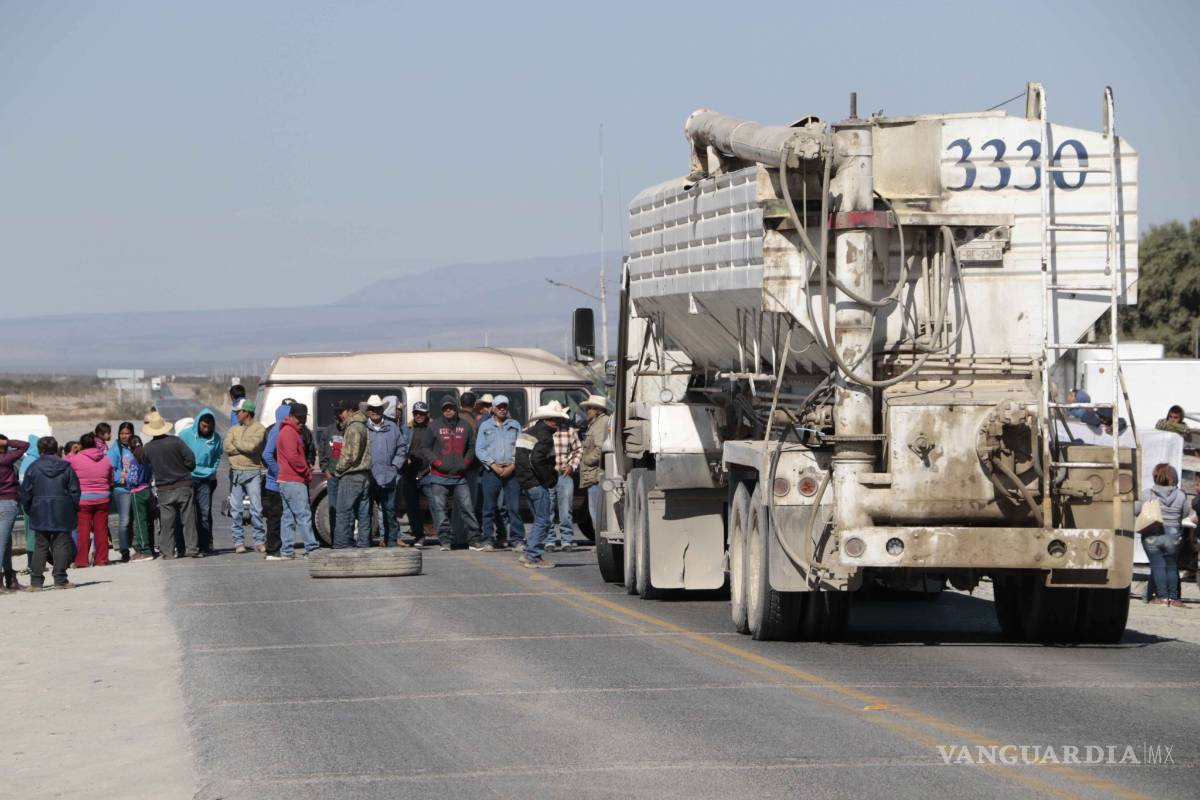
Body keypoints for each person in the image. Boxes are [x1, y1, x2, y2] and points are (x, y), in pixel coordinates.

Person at [419, 397, 481, 551]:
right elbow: (425, 447)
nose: (448, 410)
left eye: (451, 408)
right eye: (445, 408)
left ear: (456, 408)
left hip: (460, 478)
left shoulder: (465, 425)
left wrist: (465, 463)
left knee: (467, 509)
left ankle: (474, 540)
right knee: (440, 511)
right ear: (442, 410)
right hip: (439, 477)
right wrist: (437, 463)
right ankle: (445, 541)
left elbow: (472, 447)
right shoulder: (434, 426)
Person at [19, 437, 79, 590]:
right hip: (62, 509)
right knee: (61, 544)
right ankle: (60, 579)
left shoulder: (33, 467)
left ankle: (36, 582)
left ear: (40, 450)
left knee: (40, 546)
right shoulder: (66, 466)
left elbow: (25, 492)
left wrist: (29, 508)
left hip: (40, 509)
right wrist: (72, 507)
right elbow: (75, 490)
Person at [142, 411, 200, 558]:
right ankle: (192, 549)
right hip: (184, 485)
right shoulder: (176, 441)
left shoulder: (148, 448)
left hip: (164, 489)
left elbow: (145, 465)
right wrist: (185, 470)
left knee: (167, 523)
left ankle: (167, 552)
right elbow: (191, 460)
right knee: (189, 520)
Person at [515, 402, 566, 567]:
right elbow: (537, 460)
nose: (557, 423)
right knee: (544, 520)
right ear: (547, 420)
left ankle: (529, 552)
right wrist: (549, 478)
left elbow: (523, 458)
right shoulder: (545, 436)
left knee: (539, 519)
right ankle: (533, 556)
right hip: (537, 483)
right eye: (555, 420)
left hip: (526, 482)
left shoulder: (528, 432)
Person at [476, 395, 524, 550]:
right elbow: (479, 449)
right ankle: (488, 540)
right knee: (489, 507)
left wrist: (512, 466)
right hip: (492, 471)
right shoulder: (485, 426)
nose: (502, 409)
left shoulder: (515, 425)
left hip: (511, 471)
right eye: (499, 407)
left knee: (514, 508)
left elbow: (521, 448)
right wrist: (493, 465)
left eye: (505, 406)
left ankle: (517, 540)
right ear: (493, 409)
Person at [1135, 463, 1187, 607]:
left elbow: (1135, 510)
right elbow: (1186, 513)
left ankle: (1162, 598)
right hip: (1174, 535)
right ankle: (1174, 599)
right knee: (1171, 566)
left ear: (1155, 477)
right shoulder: (1181, 494)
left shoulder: (1147, 493)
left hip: (1152, 534)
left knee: (1158, 566)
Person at [274, 403, 321, 559]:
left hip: (286, 480)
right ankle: (312, 548)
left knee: (288, 517)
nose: (301, 420)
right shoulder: (289, 433)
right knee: (303, 515)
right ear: (292, 416)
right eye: (299, 417)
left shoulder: (289, 431)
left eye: (303, 417)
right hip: (293, 480)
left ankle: (287, 550)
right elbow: (294, 458)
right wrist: (306, 471)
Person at [224, 398, 267, 553]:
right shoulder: (233, 429)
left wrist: (237, 445)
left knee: (256, 508)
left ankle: (259, 540)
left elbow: (252, 448)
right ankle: (238, 542)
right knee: (236, 509)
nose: (236, 414)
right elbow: (227, 447)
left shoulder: (259, 429)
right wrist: (241, 448)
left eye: (239, 412)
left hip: (253, 472)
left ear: (247, 412)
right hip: (235, 472)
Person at [365, 394, 408, 547]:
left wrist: (395, 466)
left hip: (388, 477)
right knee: (367, 512)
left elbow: (401, 447)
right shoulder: (363, 428)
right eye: (372, 409)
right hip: (368, 478)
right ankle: (365, 543)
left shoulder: (393, 427)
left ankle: (391, 541)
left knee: (389, 511)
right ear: (368, 411)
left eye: (378, 408)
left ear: (382, 410)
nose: (375, 411)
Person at [178, 408, 222, 554]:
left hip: (205, 480)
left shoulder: (215, 438)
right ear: (198, 422)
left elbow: (217, 456)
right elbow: (177, 452)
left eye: (209, 426)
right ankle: (189, 545)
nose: (206, 428)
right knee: (188, 513)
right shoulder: (185, 435)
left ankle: (206, 545)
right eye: (204, 425)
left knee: (204, 512)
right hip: (188, 478)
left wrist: (212, 471)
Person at [67, 432, 114, 567]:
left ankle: (82, 561)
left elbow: (63, 464)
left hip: (83, 500)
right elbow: (111, 479)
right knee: (101, 530)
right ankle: (102, 559)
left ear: (81, 445)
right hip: (103, 498)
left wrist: (71, 452)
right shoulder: (106, 459)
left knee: (83, 531)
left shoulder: (75, 459)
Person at [333, 400, 372, 548]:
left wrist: (338, 469)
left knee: (343, 512)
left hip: (352, 475)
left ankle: (342, 545)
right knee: (363, 513)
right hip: (364, 474)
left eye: (341, 412)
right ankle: (363, 544)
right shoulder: (363, 425)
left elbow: (351, 455)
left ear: (350, 410)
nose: (339, 415)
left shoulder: (353, 427)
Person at [546, 408, 583, 552]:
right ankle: (549, 540)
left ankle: (566, 540)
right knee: (547, 509)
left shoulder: (570, 431)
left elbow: (578, 449)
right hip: (548, 475)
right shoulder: (544, 431)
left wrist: (572, 466)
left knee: (566, 509)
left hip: (564, 474)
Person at [0, 432, 31, 592]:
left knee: (6, 542)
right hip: (7, 501)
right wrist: (7, 442)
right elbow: (26, 445)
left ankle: (11, 579)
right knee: (2, 542)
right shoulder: (6, 459)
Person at [261, 402, 292, 558]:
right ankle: (272, 549)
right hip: (274, 483)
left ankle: (281, 547)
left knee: (284, 517)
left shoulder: (284, 430)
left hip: (282, 482)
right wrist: (279, 471)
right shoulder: (277, 430)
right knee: (275, 518)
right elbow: (267, 454)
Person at [400, 401, 431, 548]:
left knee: (437, 505)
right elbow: (401, 448)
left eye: (422, 413)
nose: (418, 416)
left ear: (427, 414)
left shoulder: (432, 429)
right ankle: (419, 536)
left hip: (428, 472)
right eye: (416, 413)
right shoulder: (407, 429)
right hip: (410, 473)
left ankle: (445, 536)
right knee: (412, 507)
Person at [578, 394, 610, 538]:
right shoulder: (596, 423)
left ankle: (600, 541)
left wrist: (586, 460)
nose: (587, 411)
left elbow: (599, 448)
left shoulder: (600, 424)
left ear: (597, 409)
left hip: (595, 474)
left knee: (596, 511)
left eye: (589, 408)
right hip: (594, 474)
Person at [107, 422, 137, 562]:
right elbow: (109, 469)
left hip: (137, 488)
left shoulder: (136, 447)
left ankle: (140, 547)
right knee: (124, 520)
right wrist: (121, 477)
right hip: (122, 490)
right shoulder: (114, 450)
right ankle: (124, 550)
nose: (125, 436)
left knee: (137, 519)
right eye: (122, 433)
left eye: (127, 433)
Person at [316, 401, 345, 539]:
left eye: (340, 413)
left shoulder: (350, 430)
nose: (338, 416)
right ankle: (335, 538)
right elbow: (321, 452)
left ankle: (346, 537)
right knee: (333, 508)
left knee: (347, 508)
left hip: (347, 477)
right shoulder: (328, 431)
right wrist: (325, 471)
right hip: (333, 476)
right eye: (337, 413)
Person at [126, 435, 155, 561]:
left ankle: (145, 550)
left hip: (137, 493)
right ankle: (149, 547)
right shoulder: (147, 459)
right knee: (147, 520)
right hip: (147, 490)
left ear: (130, 447)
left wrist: (125, 476)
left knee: (139, 522)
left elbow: (132, 480)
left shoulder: (133, 460)